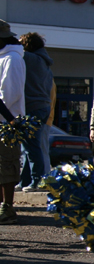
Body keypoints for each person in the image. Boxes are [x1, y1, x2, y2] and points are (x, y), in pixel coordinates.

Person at [18, 32, 53, 192]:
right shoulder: (44, 62)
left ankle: (36, 180)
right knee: (30, 145)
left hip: (32, 106)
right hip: (43, 106)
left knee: (31, 146)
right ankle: (26, 180)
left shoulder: (28, 58)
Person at [0, 19, 25, 225]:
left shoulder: (12, 59)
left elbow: (11, 93)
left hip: (8, 123)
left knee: (7, 164)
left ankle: (7, 207)